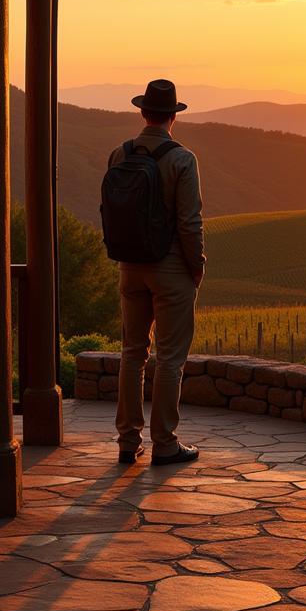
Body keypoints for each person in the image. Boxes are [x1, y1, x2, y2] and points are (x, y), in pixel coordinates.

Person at [104, 79, 206, 465]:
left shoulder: (120, 153)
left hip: (129, 266)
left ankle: (128, 441)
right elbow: (190, 221)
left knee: (132, 353)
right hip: (170, 268)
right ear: (172, 116)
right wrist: (196, 266)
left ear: (143, 112)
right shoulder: (182, 159)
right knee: (170, 358)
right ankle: (165, 443)